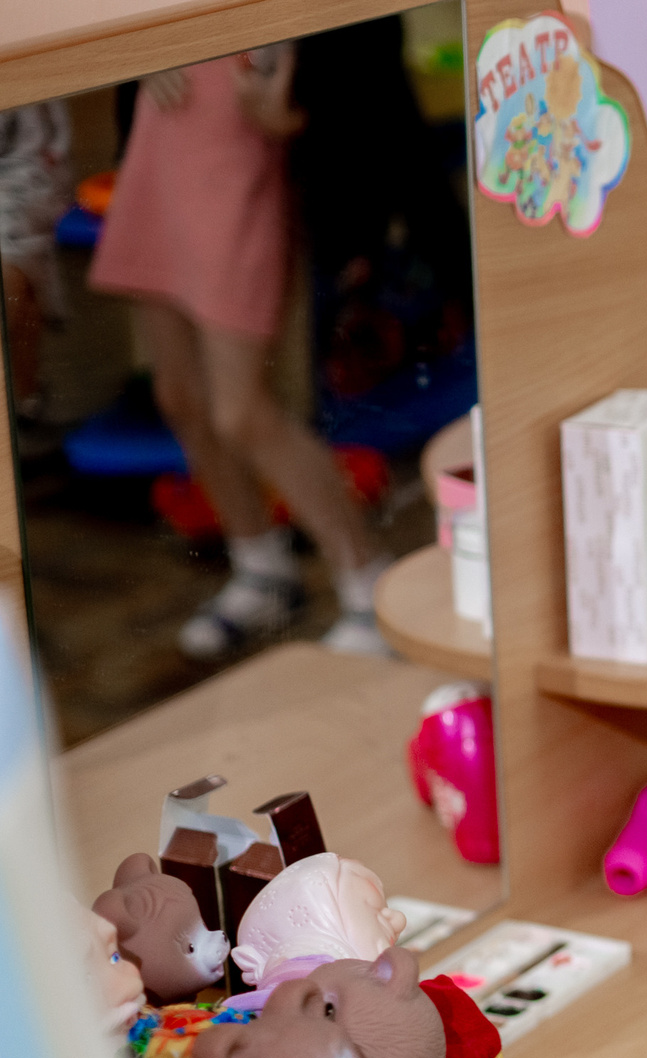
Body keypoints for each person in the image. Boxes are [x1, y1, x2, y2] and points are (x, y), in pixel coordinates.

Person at [89, 47, 393, 661]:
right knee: (179, 395)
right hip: (160, 145)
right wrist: (140, 51)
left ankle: (369, 582)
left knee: (241, 409)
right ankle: (262, 568)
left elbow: (339, 64)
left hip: (238, 157)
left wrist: (288, 98)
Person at [0, 99, 72, 431]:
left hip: (27, 165)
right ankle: (26, 402)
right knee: (20, 292)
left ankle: (26, 403)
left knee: (17, 284)